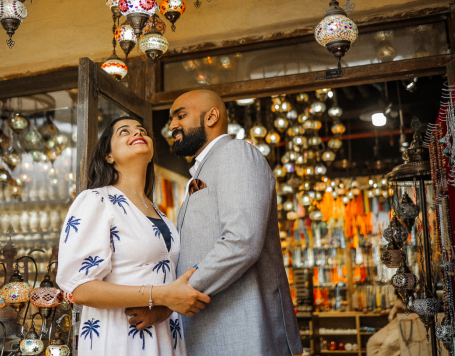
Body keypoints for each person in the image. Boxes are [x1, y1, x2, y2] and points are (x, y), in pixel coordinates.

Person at [129, 90, 304, 356]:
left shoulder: (236, 153)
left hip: (244, 328)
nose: (172, 125)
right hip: (209, 329)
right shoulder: (203, 169)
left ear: (211, 116)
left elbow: (241, 241)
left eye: (181, 115)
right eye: (171, 118)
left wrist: (171, 301)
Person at [56, 116, 210, 355]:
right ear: (109, 156)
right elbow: (79, 288)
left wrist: (165, 306)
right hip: (119, 338)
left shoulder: (161, 214)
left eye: (142, 130)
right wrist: (160, 296)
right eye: (124, 132)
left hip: (166, 337)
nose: (137, 133)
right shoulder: (96, 200)